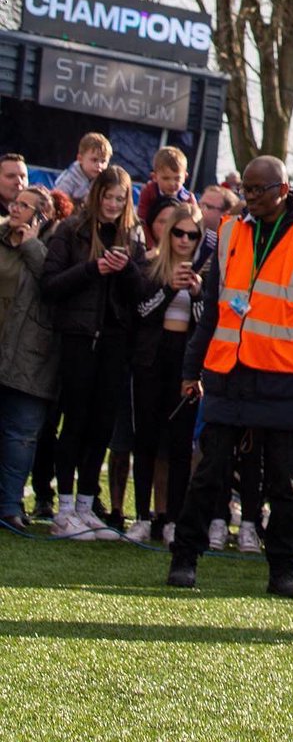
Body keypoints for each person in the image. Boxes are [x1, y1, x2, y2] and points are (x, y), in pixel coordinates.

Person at [166, 156, 293, 599]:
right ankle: (184, 559)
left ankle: (284, 572)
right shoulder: (231, 231)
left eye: (257, 190)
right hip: (230, 371)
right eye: (246, 189)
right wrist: (192, 369)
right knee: (208, 472)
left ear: (282, 191)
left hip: (289, 377)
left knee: (288, 483)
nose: (248, 197)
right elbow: (211, 310)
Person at [41, 165, 145, 540]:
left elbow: (144, 293)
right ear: (97, 194)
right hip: (78, 336)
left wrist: (126, 268)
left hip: (116, 341)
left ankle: (86, 504)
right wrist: (93, 269)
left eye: (121, 198)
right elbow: (49, 285)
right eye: (109, 196)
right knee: (75, 422)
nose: (115, 204)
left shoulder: (133, 235)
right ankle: (63, 507)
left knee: (102, 424)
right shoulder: (71, 230)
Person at [127, 201, 205, 541]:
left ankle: (173, 519)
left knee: (179, 446)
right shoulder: (147, 267)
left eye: (193, 234)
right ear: (167, 232)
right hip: (150, 363)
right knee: (144, 440)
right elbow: (142, 312)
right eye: (179, 233)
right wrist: (170, 287)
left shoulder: (204, 273)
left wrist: (199, 295)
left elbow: (207, 326)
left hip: (185, 367)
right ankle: (142, 516)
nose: (185, 240)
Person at [0, 185, 58, 529]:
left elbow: (50, 284)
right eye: (15, 203)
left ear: (41, 216)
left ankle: (9, 507)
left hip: (30, 356)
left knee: (20, 436)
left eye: (25, 205)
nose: (16, 209)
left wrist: (31, 243)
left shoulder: (53, 246)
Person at [136, 145, 194, 226]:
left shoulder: (187, 198)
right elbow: (142, 218)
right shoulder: (148, 191)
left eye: (177, 179)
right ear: (155, 177)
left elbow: (195, 222)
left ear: (185, 177)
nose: (171, 183)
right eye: (166, 178)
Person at [52, 132, 112, 206]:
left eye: (103, 161)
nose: (99, 165)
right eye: (94, 160)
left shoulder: (104, 180)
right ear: (80, 159)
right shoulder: (69, 178)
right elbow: (57, 201)